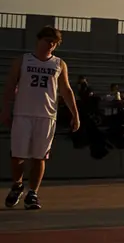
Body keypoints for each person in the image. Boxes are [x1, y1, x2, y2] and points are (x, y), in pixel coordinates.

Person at [2, 25, 80, 210]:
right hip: (23, 114)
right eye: (48, 41)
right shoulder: (23, 61)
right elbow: (10, 86)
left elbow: (66, 90)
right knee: (17, 156)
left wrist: (75, 114)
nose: (50, 45)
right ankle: (17, 185)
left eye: (54, 43)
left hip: (46, 116)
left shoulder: (59, 64)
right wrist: (5, 110)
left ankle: (33, 193)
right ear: (39, 40)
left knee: (40, 157)